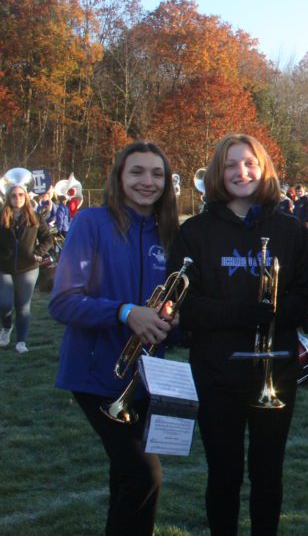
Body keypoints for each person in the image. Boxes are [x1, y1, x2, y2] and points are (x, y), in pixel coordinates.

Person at [168, 134, 308, 536]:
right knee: (224, 473)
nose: (241, 172)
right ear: (218, 172)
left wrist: (274, 310)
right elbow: (186, 306)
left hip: (277, 370)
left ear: (263, 168)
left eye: (250, 163)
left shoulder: (291, 231)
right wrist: (242, 312)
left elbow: (306, 296)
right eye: (231, 165)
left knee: (269, 473)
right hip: (216, 372)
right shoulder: (195, 233)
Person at [48, 141, 180, 535]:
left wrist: (170, 323)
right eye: (136, 172)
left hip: (143, 379)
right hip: (94, 373)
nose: (147, 181)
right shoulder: (91, 223)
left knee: (126, 478)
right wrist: (124, 311)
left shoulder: (169, 233)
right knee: (145, 476)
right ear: (119, 177)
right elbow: (63, 302)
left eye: (157, 174)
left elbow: (170, 309)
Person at [0, 182, 54, 352]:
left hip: (28, 267)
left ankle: (21, 341)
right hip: (5, 267)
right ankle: (6, 327)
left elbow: (48, 239)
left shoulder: (35, 217)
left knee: (23, 306)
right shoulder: (2, 216)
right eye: (14, 195)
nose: (18, 198)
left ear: (26, 197)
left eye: (21, 195)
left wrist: (38, 252)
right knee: (5, 303)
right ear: (8, 198)